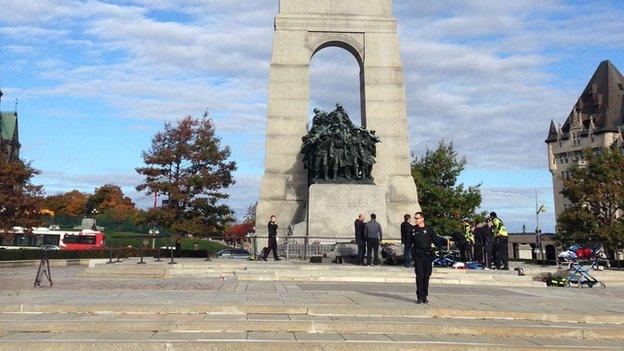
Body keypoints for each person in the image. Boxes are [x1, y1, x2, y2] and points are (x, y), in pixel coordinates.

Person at [411, 212, 441, 304]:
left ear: (422, 219)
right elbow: (409, 243)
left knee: (426, 276)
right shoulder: (413, 230)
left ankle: (425, 296)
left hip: (427, 255)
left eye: (417, 218)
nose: (415, 220)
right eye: (415, 218)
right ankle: (419, 296)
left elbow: (435, 240)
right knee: (419, 276)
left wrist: (439, 249)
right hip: (418, 256)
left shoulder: (429, 229)